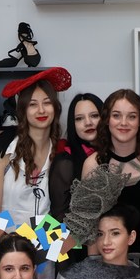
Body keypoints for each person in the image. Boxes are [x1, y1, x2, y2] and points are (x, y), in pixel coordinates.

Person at [79, 90, 140, 254]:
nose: (124, 123)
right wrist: (93, 263)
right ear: (107, 120)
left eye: (132, 116)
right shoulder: (93, 165)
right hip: (110, 262)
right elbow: (91, 225)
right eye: (116, 115)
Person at [0, 78, 61, 225]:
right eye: (32, 104)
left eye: (47, 103)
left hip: (47, 238)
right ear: (22, 110)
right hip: (7, 238)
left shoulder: (59, 151)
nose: (41, 110)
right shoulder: (5, 152)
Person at [49, 92, 101, 221]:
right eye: (79, 118)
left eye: (94, 116)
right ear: (73, 124)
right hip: (77, 232)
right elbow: (58, 216)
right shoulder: (65, 162)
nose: (88, 122)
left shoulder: (117, 152)